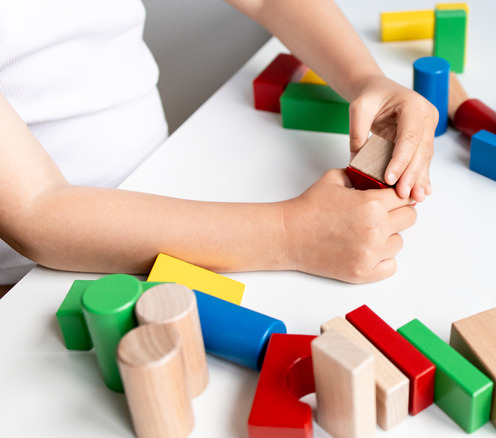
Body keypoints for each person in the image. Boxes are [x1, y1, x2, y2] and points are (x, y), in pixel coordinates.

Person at [0, 0, 438, 292]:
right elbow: (37, 213)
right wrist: (292, 235)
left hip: (168, 182)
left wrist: (366, 78)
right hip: (39, 277)